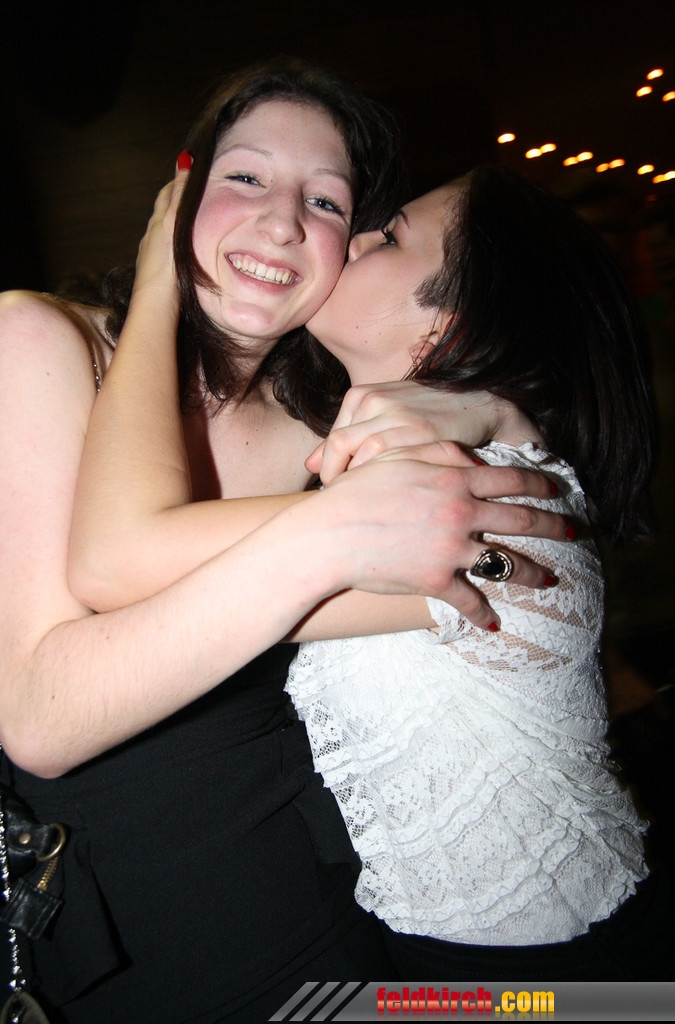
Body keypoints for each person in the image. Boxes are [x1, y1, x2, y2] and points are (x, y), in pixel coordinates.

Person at [0, 62, 565, 1022]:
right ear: (178, 198)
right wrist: (157, 288)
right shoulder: (43, 343)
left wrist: (492, 411)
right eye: (245, 177)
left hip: (316, 917)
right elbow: (42, 718)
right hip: (113, 948)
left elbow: (517, 571)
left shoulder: (331, 431)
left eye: (326, 200)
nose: (281, 222)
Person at [71, 164, 668, 982]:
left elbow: (120, 558)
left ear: (451, 327)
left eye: (388, 238)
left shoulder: (476, 499)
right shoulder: (412, 469)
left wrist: (158, 287)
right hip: (457, 950)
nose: (352, 239)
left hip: (558, 976)